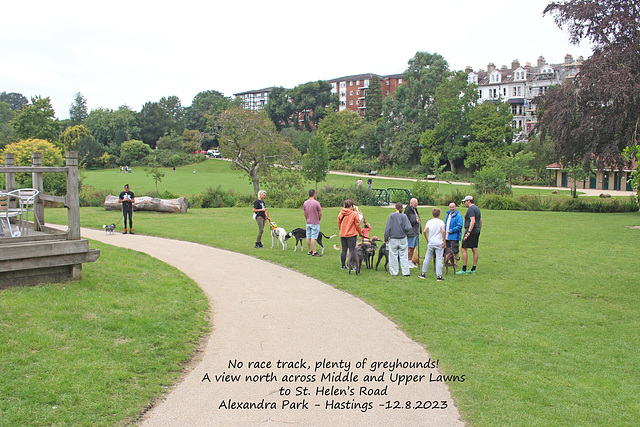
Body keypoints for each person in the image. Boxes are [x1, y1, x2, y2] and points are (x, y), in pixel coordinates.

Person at [384, 202, 412, 277]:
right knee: (404, 255)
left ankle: (394, 272)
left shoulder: (392, 216)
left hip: (393, 239)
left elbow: (388, 228)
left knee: (393, 255)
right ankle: (405, 272)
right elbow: (408, 227)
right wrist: (405, 232)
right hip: (402, 238)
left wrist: (386, 237)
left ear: (395, 207)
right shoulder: (404, 216)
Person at [418, 208, 445, 281]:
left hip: (431, 242)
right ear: (439, 214)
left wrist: (427, 239)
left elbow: (424, 231)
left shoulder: (429, 222)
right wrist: (444, 240)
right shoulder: (440, 222)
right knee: (439, 258)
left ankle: (423, 273)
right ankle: (439, 276)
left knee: (427, 257)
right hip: (439, 242)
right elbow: (443, 230)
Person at [457, 195, 482, 274]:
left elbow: (473, 220)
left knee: (463, 248)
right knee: (474, 248)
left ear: (469, 201)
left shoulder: (471, 209)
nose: (464, 203)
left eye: (465, 201)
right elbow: (480, 221)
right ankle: (473, 268)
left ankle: (464, 269)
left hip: (471, 230)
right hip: (477, 230)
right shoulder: (477, 209)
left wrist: (468, 232)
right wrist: (478, 229)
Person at [337, 199, 362, 270]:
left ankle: (343, 265)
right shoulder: (354, 214)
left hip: (343, 234)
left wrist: (341, 230)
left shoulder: (341, 213)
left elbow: (339, 223)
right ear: (351, 206)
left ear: (344, 205)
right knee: (352, 250)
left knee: (344, 249)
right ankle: (352, 266)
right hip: (352, 234)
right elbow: (357, 225)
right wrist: (360, 232)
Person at [302, 189, 322, 257]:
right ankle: (314, 251)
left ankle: (309, 250)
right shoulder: (316, 203)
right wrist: (319, 219)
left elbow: (304, 212)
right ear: (314, 194)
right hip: (315, 222)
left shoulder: (305, 202)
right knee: (313, 237)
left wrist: (307, 218)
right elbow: (320, 213)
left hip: (308, 222)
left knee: (308, 236)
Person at [404, 198, 421, 268]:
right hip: (411, 232)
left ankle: (410, 261)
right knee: (410, 247)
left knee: (413, 247)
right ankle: (407, 261)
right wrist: (415, 222)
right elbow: (407, 222)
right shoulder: (408, 210)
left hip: (416, 231)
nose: (416, 204)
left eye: (417, 203)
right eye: (415, 203)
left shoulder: (414, 209)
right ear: (411, 203)